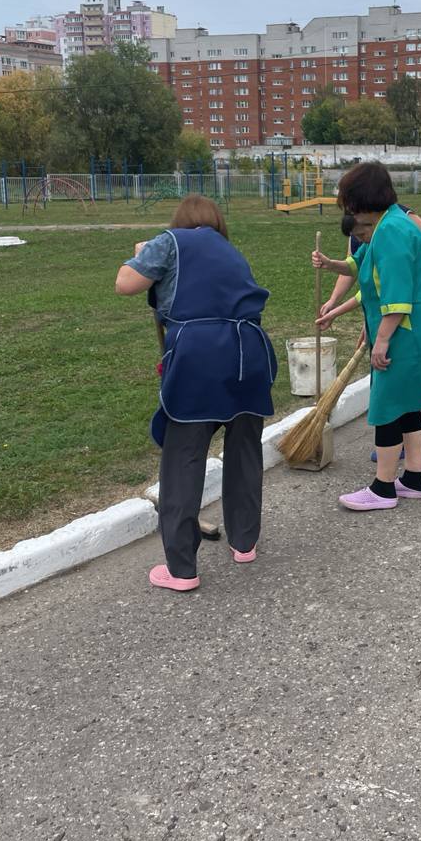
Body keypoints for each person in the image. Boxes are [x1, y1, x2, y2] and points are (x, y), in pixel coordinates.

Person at [115, 194, 277, 591]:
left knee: (183, 458)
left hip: (200, 358)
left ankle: (181, 569)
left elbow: (125, 284)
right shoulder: (230, 250)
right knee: (244, 450)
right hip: (249, 354)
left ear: (181, 220)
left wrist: (141, 254)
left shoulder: (169, 241)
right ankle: (245, 542)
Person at [312, 162, 421, 512]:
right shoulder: (388, 223)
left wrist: (381, 341)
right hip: (414, 328)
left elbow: (397, 295)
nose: (346, 207)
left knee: (388, 407)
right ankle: (414, 479)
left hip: (403, 330)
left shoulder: (390, 230)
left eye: (347, 199)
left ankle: (383, 487)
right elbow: (361, 263)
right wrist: (331, 264)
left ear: (361, 198)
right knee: (408, 403)